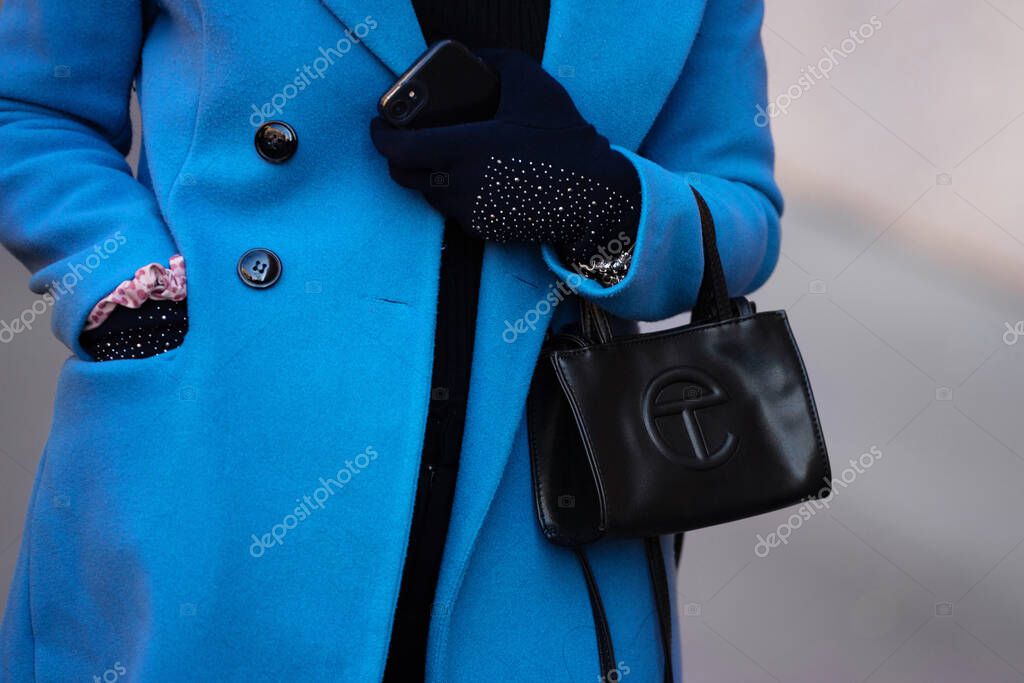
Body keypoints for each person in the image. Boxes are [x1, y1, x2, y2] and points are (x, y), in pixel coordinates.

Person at [0, 0, 782, 680]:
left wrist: (600, 201)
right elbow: (29, 106)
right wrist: (134, 302)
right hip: (218, 466)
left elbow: (741, 203)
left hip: (541, 518)